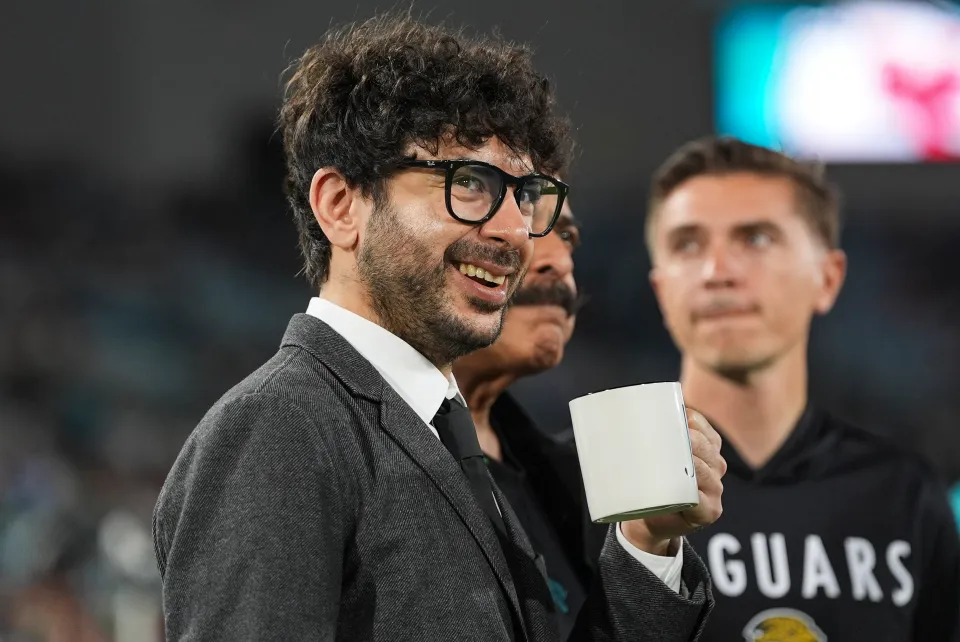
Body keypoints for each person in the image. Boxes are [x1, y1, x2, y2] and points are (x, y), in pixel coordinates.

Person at [152, 15, 726, 641]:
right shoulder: (279, 429)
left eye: (525, 196)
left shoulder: (448, 433)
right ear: (340, 206)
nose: (515, 232)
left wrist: (646, 542)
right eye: (470, 183)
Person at [645, 135, 960, 641]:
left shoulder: (904, 495)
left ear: (828, 278)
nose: (716, 271)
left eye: (756, 239)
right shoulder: (588, 484)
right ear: (661, 290)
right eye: (687, 244)